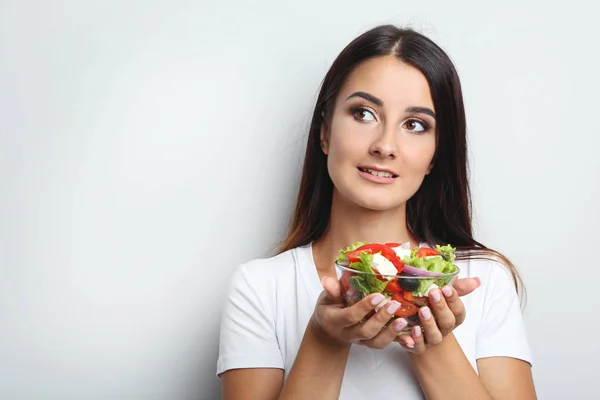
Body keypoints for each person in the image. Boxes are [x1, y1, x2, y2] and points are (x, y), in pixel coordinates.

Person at [216, 24, 537, 399]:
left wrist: (429, 336)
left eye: (415, 125)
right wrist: (324, 339)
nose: (385, 145)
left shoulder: (485, 281)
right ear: (324, 131)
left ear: (435, 155)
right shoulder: (260, 288)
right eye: (364, 114)